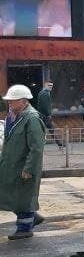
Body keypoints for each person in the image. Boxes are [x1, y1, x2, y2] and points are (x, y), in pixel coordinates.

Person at [0, 85, 46, 239]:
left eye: (13, 101)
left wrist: (29, 168)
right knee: (10, 195)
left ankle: (25, 228)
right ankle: (33, 217)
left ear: (23, 101)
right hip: (11, 164)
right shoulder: (14, 115)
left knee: (23, 197)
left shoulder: (32, 118)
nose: (10, 104)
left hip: (23, 166)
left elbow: (36, 148)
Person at [35, 80, 63, 149]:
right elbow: (45, 106)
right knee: (43, 131)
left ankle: (59, 144)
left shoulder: (44, 93)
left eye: (51, 86)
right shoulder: (44, 93)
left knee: (50, 130)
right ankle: (37, 145)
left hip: (43, 115)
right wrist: (48, 114)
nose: (51, 87)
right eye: (49, 85)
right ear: (45, 85)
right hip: (44, 116)